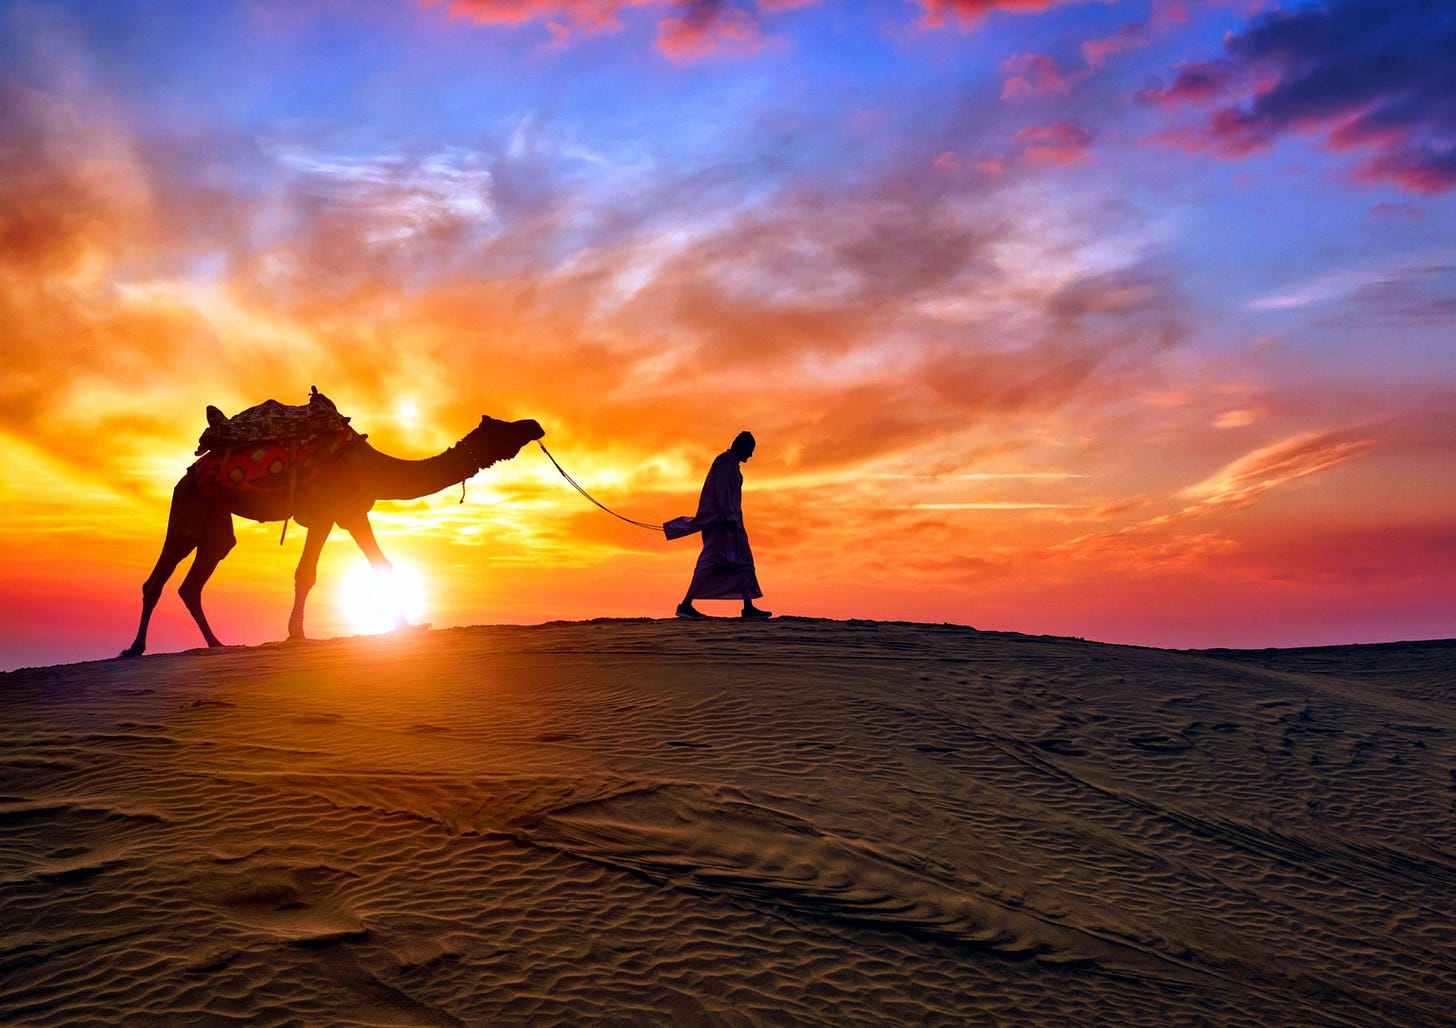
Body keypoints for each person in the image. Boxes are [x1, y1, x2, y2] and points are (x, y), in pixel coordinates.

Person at [674, 431, 771, 620]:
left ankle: (748, 607)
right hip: (723, 524)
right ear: (742, 447)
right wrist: (729, 517)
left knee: (744, 563)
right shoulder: (726, 461)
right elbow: (722, 492)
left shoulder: (731, 463)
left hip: (731, 523)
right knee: (709, 562)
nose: (751, 455)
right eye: (750, 450)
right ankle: (685, 605)